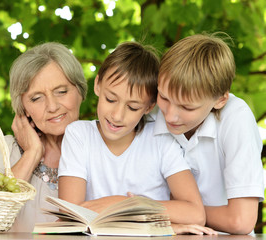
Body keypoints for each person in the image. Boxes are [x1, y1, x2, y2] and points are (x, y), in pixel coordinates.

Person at [58, 42, 214, 235]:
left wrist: (126, 204)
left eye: (132, 107)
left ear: (149, 107)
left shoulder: (160, 139)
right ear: (97, 85)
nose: (117, 115)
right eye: (110, 99)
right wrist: (153, 221)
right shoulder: (79, 135)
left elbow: (195, 213)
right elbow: (72, 215)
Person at [154, 32, 264, 234]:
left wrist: (182, 212)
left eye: (187, 108)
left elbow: (240, 220)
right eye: (164, 97)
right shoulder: (150, 111)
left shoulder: (236, 118)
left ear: (220, 100)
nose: (170, 116)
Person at [0, 42, 87, 232]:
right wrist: (32, 153)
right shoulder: (5, 151)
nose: (52, 106)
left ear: (80, 91)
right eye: (36, 98)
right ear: (23, 108)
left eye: (61, 92)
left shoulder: (101, 147)